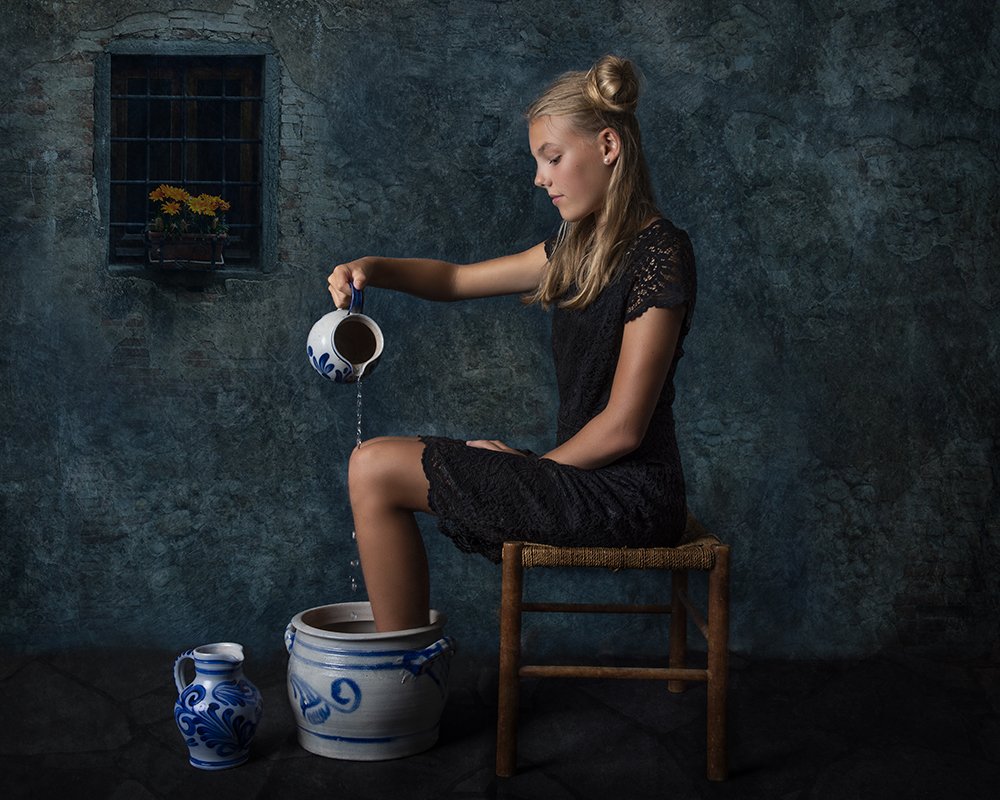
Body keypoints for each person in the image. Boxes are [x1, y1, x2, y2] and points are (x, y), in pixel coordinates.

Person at [327, 54, 696, 632]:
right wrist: (367, 266)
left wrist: (534, 471)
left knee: (373, 466)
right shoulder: (572, 253)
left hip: (631, 496)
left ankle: (401, 680)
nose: (539, 178)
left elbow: (625, 426)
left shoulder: (661, 253)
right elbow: (453, 280)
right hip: (577, 475)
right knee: (375, 465)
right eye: (538, 163)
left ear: (607, 146)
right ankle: (400, 676)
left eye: (552, 159)